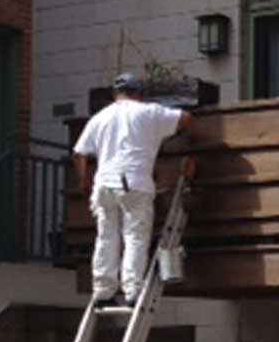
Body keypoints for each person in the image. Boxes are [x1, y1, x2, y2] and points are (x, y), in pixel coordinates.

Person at [72, 73, 193, 307]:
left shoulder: (100, 117)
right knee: (135, 237)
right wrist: (160, 136)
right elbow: (186, 118)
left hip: (104, 184)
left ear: (115, 94)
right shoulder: (149, 112)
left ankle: (103, 291)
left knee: (106, 237)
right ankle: (132, 290)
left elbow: (79, 154)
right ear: (139, 93)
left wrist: (83, 181)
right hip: (134, 182)